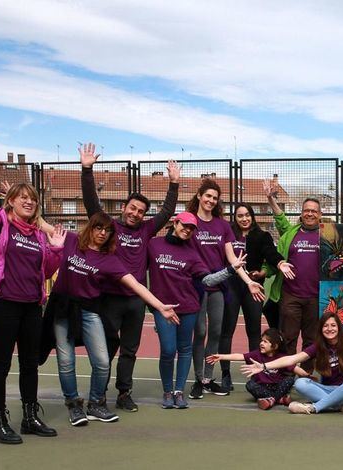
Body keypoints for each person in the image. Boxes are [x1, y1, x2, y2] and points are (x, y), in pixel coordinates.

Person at [48, 213, 178, 426]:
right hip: (62, 309)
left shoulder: (109, 260)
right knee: (66, 362)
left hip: (90, 311)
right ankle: (73, 404)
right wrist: (11, 205)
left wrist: (160, 306)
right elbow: (38, 223)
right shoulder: (71, 241)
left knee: (101, 361)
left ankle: (96, 403)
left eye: (107, 231)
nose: (102, 233)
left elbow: (136, 285)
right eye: (98, 228)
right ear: (91, 227)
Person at [79, 142, 180, 412]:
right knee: (106, 351)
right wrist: (87, 170)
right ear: (124, 207)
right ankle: (98, 395)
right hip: (109, 299)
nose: (135, 213)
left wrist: (173, 184)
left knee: (130, 350)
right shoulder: (109, 227)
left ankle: (124, 393)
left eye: (140, 211)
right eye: (132, 208)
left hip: (135, 301)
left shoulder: (146, 230)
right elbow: (91, 204)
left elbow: (167, 212)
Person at [0, 183, 64, 444]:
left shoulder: (36, 235)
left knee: (29, 365)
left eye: (33, 199)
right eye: (23, 197)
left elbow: (46, 271)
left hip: (31, 307)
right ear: (10, 201)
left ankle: (29, 417)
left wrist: (55, 249)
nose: (29, 202)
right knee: (0, 364)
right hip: (2, 305)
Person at [147, 212, 247, 409]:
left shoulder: (193, 254)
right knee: (168, 350)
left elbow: (207, 280)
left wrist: (230, 269)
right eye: (184, 225)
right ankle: (167, 391)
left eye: (192, 228)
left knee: (184, 350)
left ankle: (178, 392)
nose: (187, 230)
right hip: (163, 308)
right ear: (175, 223)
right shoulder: (154, 245)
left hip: (189, 307)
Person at [187, 179, 263, 399]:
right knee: (200, 332)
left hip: (219, 288)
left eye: (215, 197)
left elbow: (232, 259)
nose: (211, 200)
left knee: (215, 333)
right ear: (200, 196)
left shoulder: (222, 226)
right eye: (208, 196)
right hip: (197, 287)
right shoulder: (190, 222)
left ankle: (209, 379)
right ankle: (198, 380)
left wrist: (248, 282)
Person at [217, 203, 290, 391]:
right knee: (227, 330)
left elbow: (270, 253)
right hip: (231, 287)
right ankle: (226, 374)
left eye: (247, 215)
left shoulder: (262, 236)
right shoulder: (228, 235)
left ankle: (258, 373)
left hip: (254, 287)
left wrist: (278, 263)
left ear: (252, 217)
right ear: (235, 218)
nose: (244, 219)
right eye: (240, 216)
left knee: (254, 332)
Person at [263, 179, 320, 372]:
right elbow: (280, 218)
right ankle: (286, 378)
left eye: (314, 210)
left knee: (311, 341)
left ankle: (306, 378)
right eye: (306, 210)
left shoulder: (327, 235)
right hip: (290, 295)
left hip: (316, 297)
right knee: (288, 339)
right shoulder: (291, 232)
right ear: (302, 213)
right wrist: (270, 199)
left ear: (320, 215)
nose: (310, 213)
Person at [207, 328, 307, 410]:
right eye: (261, 341)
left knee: (289, 380)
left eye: (265, 342)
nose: (261, 343)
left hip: (277, 387)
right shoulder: (256, 354)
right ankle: (279, 399)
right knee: (250, 385)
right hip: (262, 387)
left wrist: (308, 377)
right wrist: (221, 357)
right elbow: (240, 356)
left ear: (275, 346)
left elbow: (296, 369)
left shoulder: (282, 358)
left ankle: (271, 400)